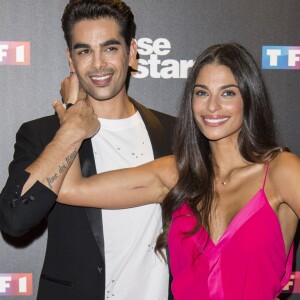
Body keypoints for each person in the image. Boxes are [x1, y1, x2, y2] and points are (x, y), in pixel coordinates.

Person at [55, 42, 300, 300]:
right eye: (202, 93)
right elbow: (69, 189)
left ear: (249, 98)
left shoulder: (280, 172)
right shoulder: (176, 174)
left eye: (228, 93)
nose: (212, 107)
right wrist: (73, 110)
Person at [0, 1, 175, 299]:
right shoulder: (43, 134)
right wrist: (70, 128)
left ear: (131, 52)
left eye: (109, 48)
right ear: (71, 59)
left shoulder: (175, 133)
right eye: (84, 51)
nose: (97, 64)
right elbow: (15, 220)